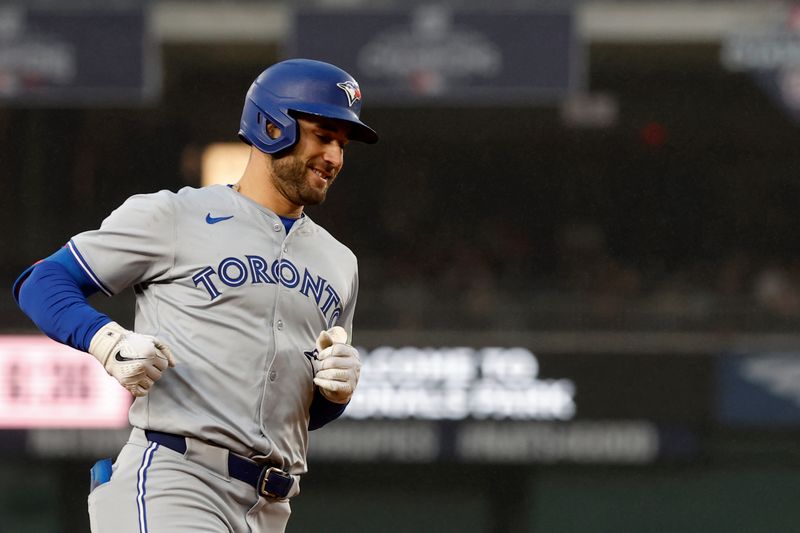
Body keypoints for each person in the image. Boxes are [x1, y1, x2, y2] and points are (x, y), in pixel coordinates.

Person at [13, 58, 378, 533]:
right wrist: (105, 340)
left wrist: (336, 395)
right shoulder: (176, 216)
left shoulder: (339, 262)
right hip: (177, 479)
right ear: (272, 125)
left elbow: (297, 413)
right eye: (323, 135)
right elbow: (42, 281)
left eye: (342, 144)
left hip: (270, 506)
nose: (335, 157)